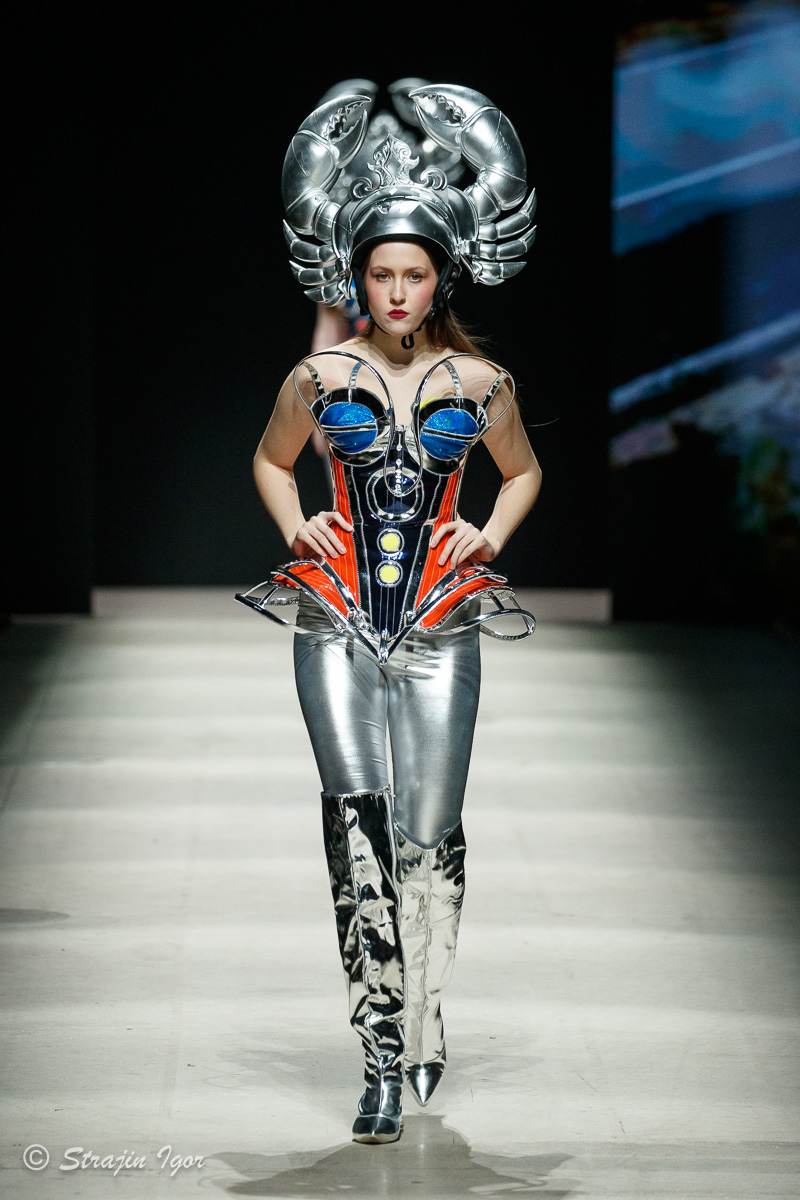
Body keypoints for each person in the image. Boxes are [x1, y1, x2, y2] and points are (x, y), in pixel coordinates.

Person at [237, 84, 542, 1145]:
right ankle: (377, 1054)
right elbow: (272, 461)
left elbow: (523, 472)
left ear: (440, 274)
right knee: (355, 827)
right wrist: (297, 525)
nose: (399, 290)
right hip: (332, 622)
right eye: (381, 273)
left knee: (428, 833)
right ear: (357, 275)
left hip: (443, 628)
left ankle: (424, 1008)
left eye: (414, 273)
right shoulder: (320, 375)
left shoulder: (483, 380)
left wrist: (488, 535)